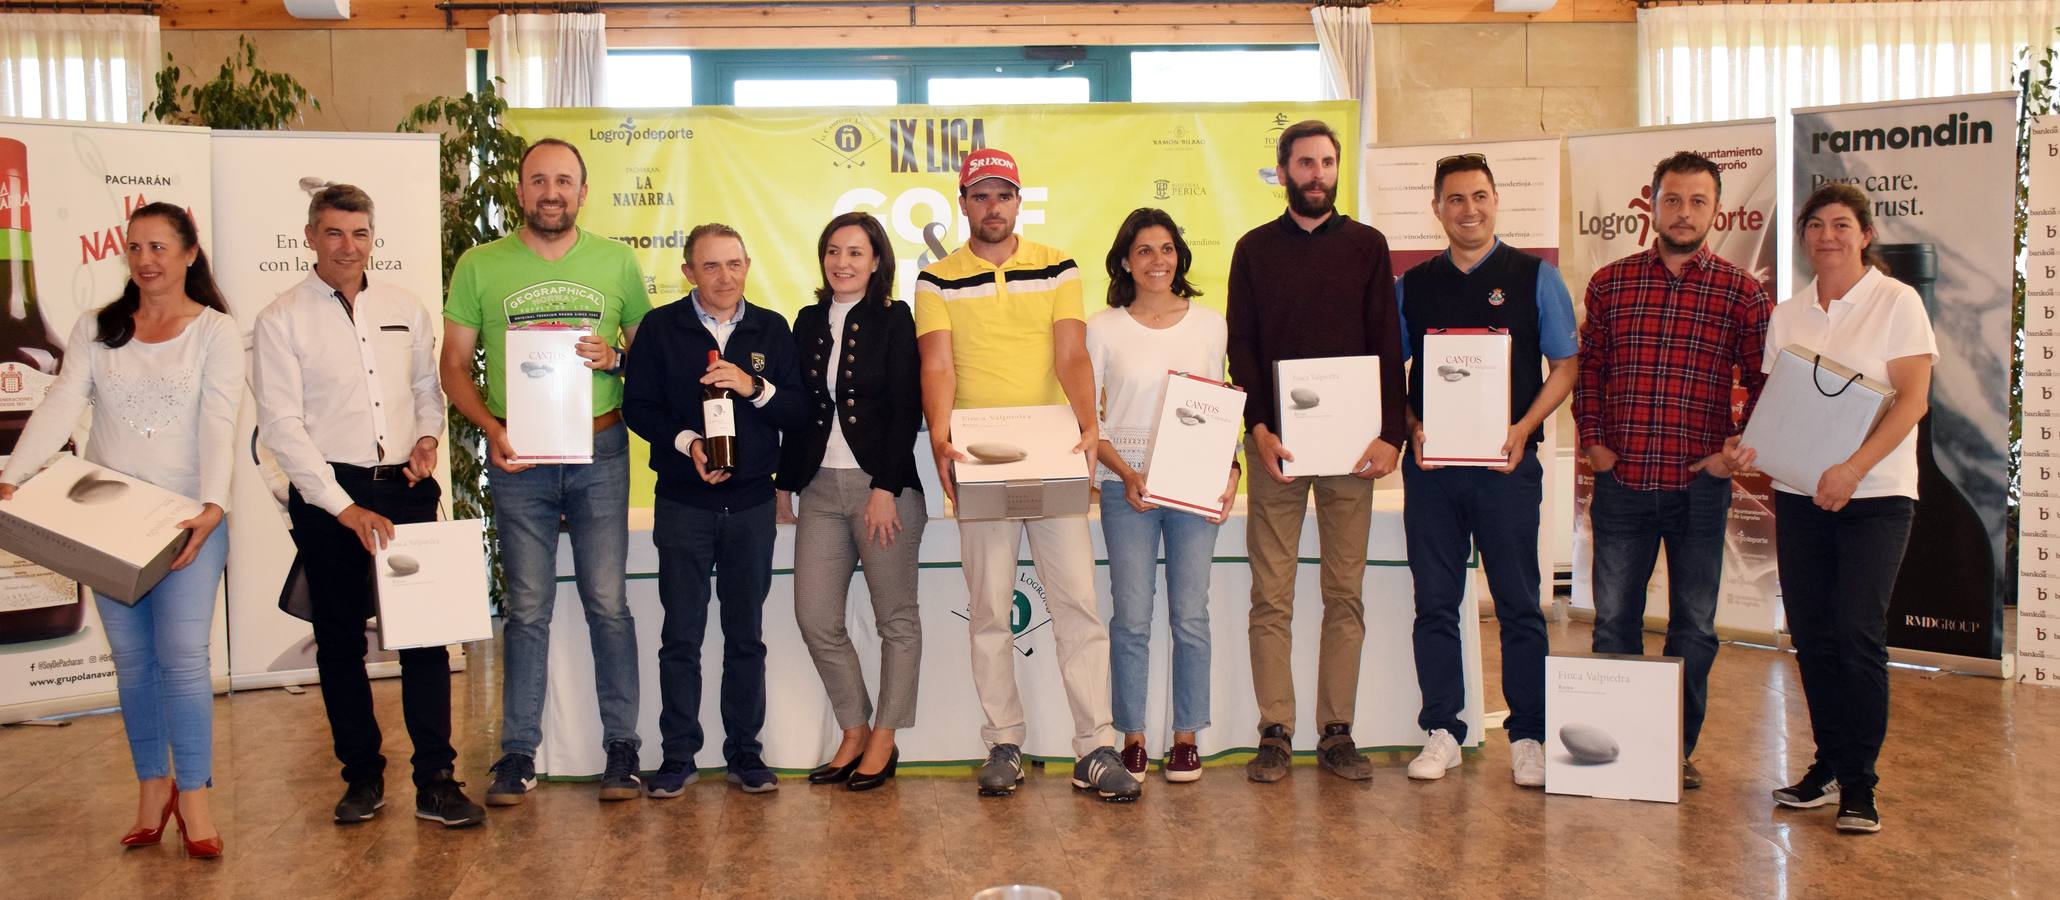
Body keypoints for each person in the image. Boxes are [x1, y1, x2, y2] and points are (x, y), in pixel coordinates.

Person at [0, 203, 239, 856]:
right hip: (108, 526)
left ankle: (194, 794)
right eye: (135, 247)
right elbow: (58, 409)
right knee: (133, 662)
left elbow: (220, 423)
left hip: (190, 521)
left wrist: (212, 507)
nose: (146, 260)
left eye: (160, 246)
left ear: (190, 253)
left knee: (184, 660)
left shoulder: (216, 332)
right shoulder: (97, 329)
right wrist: (13, 478)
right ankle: (151, 789)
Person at [253, 185, 484, 828]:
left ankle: (437, 779)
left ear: (372, 238)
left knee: (426, 638)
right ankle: (361, 778)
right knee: (338, 642)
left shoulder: (404, 306)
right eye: (334, 233)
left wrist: (429, 439)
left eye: (359, 234)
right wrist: (342, 507)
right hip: (330, 494)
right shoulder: (280, 319)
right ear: (310, 237)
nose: (347, 246)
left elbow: (425, 390)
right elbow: (282, 428)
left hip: (405, 487)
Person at [916, 147, 1139, 802]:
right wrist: (938, 433)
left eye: (1003, 195)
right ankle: (1004, 742)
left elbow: (1070, 353)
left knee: (1078, 606)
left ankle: (1094, 748)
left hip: (1051, 455)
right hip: (978, 460)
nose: (993, 207)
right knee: (988, 608)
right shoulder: (935, 279)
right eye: (980, 196)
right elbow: (938, 365)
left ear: (1018, 201)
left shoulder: (1058, 264)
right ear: (963, 204)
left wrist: (1088, 426)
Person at [442, 138, 650, 803]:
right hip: (520, 456)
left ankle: (622, 747)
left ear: (583, 193)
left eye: (564, 181)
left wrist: (615, 359)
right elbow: (453, 367)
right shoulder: (480, 265)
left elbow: (648, 359)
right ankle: (516, 756)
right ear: (520, 191)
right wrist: (492, 431)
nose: (550, 191)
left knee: (608, 603)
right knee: (527, 608)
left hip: (601, 450)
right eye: (538, 180)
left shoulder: (617, 263)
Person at [1736, 183, 1935, 834]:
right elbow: (1781, 405)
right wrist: (1749, 448)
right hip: (1800, 498)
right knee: (1815, 639)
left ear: (1865, 235)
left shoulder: (1897, 303)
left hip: (1876, 497)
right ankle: (1826, 766)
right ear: (1804, 236)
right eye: (1816, 225)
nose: (1828, 235)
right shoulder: (1788, 313)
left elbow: (1912, 401)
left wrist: (1852, 469)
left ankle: (1859, 785)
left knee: (1857, 635)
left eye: (1842, 224)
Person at [1575, 151, 1770, 790]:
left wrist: (1734, 449)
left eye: (1697, 202)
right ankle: (1613, 748)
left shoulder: (1742, 291)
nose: (1683, 213)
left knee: (1694, 628)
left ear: (1716, 210)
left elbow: (1765, 384)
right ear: (1651, 205)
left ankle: (1670, 752)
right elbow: (1591, 373)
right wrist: (1595, 446)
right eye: (1672, 200)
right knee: (1613, 623)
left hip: (1699, 488)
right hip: (1622, 483)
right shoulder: (1610, 283)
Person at [1225, 119, 1404, 783]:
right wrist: (1259, 425)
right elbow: (1241, 344)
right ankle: (1275, 730)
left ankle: (1336, 731)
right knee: (1270, 595)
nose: (1317, 174)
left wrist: (1391, 433)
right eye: (1305, 163)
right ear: (1282, 171)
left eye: (1327, 163)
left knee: (1344, 592)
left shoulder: (1367, 246)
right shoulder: (1252, 250)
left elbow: (1387, 340)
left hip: (1353, 451)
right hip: (1279, 449)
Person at [1394, 155, 1576, 788]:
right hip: (1435, 475)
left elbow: (1566, 366)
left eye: (1479, 197)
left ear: (1497, 200)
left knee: (1521, 605)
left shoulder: (1535, 277)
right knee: (1437, 603)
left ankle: (1529, 735)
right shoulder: (1412, 285)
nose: (1469, 210)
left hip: (1507, 471)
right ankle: (1442, 729)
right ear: (1437, 208)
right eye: (1455, 199)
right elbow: (1396, 374)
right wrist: (1412, 425)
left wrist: (1525, 429)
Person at [622, 223, 804, 796]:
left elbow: (798, 411)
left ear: (748, 265)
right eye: (710, 267)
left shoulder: (771, 329)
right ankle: (677, 755)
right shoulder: (659, 327)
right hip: (682, 504)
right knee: (681, 634)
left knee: (745, 635)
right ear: (688, 272)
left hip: (751, 505)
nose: (724, 277)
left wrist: (755, 387)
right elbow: (638, 408)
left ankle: (745, 754)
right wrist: (688, 444)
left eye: (734, 264)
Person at [773, 212, 928, 792]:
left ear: (877, 261)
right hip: (818, 488)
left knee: (897, 620)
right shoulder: (808, 319)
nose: (842, 263)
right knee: (814, 616)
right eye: (833, 251)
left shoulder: (893, 318)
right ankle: (854, 726)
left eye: (855, 253)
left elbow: (905, 405)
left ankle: (885, 737)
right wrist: (783, 482)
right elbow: (795, 407)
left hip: (879, 490)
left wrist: (886, 487)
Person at [1084, 207, 1234, 786]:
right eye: (1144, 250)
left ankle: (1186, 737)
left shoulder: (1210, 323)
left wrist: (1232, 472)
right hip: (1130, 486)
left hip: (1196, 484)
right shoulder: (1102, 327)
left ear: (1180, 256)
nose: (1157, 261)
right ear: (1126, 260)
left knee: (1191, 616)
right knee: (1132, 619)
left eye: (1167, 248)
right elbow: (1089, 420)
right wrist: (1124, 474)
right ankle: (1134, 737)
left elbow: (1224, 408)